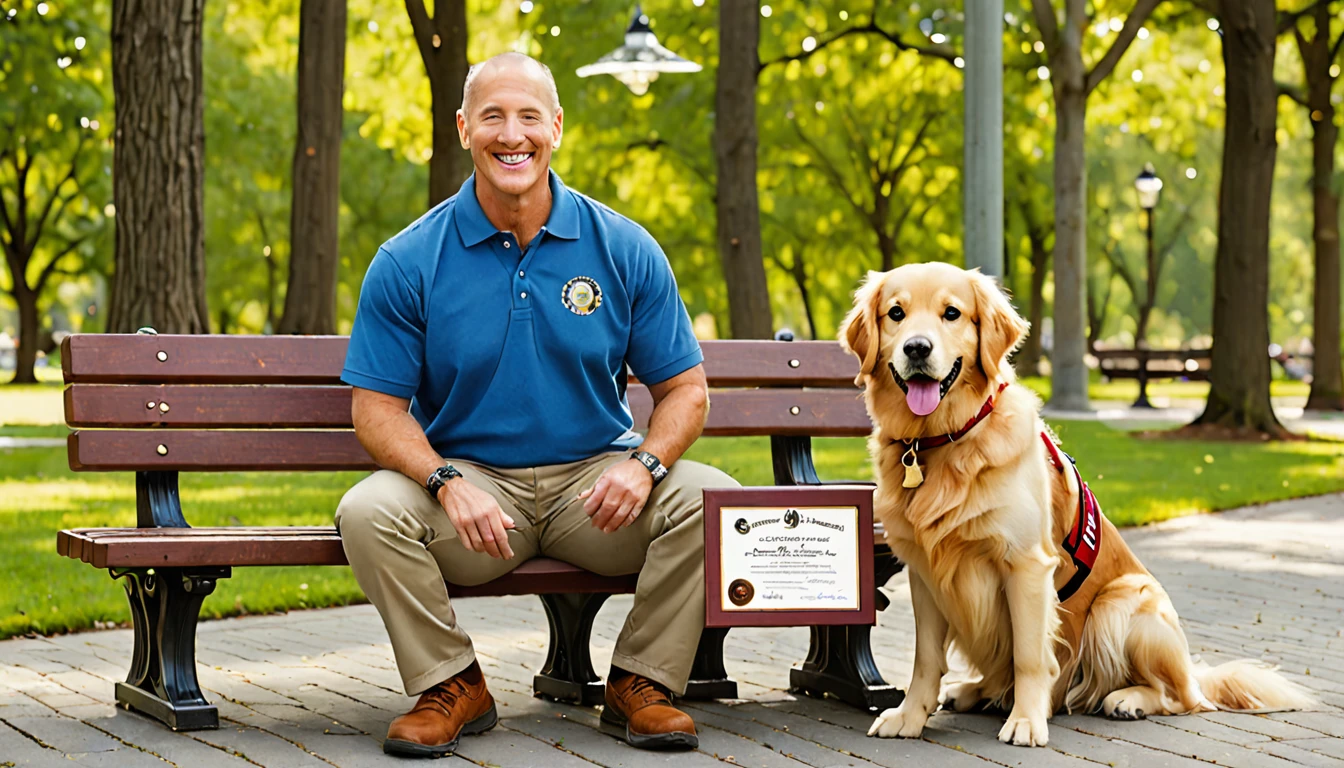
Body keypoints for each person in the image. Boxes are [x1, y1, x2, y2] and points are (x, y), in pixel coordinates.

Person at [334, 52, 736, 759]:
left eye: (528, 116)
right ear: (464, 129)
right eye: (492, 116)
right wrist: (443, 481)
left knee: (715, 499)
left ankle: (641, 681)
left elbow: (685, 392)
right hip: (476, 496)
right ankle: (453, 684)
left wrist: (643, 464)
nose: (511, 134)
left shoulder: (623, 247)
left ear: (556, 127)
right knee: (366, 513)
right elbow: (376, 411)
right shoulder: (408, 260)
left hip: (598, 491)